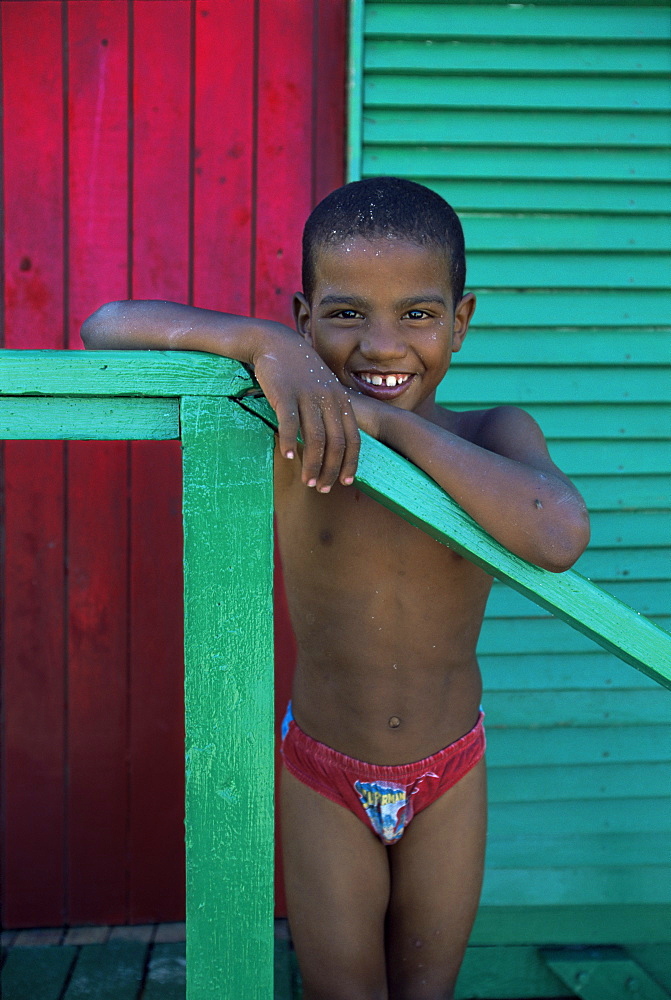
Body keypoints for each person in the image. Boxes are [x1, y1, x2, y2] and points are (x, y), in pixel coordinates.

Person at [82, 177, 590, 1000]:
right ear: (304, 315)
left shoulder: (493, 433)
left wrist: (387, 425)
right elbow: (104, 326)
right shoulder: (293, 427)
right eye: (347, 313)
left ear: (460, 323)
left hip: (450, 775)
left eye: (417, 315)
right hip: (322, 771)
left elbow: (557, 533)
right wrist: (258, 346)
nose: (382, 346)